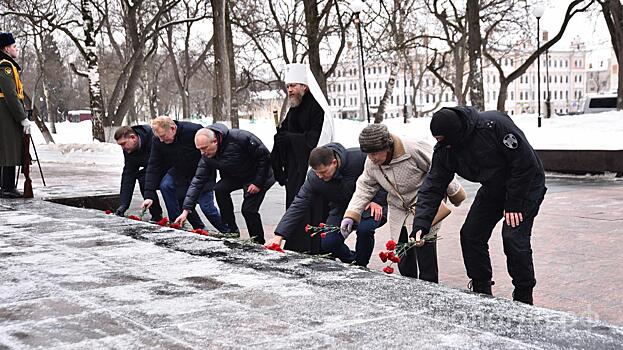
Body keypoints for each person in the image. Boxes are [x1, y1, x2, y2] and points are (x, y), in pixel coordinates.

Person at [411, 107, 546, 305]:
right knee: (471, 234)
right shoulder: (445, 148)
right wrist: (421, 224)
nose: (441, 144)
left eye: (443, 139)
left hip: (525, 186)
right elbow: (433, 185)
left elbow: (526, 163)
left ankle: (523, 292)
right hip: (494, 188)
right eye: (438, 139)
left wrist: (515, 203)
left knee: (513, 237)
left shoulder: (493, 126)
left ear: (456, 134)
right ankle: (482, 287)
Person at [342, 124, 465, 283]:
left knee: (424, 249)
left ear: (387, 146)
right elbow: (365, 186)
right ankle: (409, 285)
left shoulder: (413, 149)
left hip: (424, 204)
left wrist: (455, 193)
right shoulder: (371, 162)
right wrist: (352, 213)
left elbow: (438, 169)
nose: (371, 158)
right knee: (402, 250)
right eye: (368, 154)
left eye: (374, 153)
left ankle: (431, 289)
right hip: (398, 207)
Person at [265, 143, 388, 267]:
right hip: (341, 208)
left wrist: (378, 200)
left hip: (368, 204)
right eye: (317, 172)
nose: (320, 176)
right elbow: (299, 203)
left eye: (323, 172)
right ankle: (352, 261)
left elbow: (384, 173)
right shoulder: (314, 178)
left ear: (334, 163)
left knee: (364, 230)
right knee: (329, 242)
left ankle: (361, 265)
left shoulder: (358, 158)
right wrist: (279, 235)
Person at [175, 124, 275, 244]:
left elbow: (265, 157)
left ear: (215, 141)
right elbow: (198, 180)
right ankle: (231, 230)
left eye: (204, 148)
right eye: (199, 149)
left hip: (260, 174)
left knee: (248, 210)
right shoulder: (207, 156)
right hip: (237, 175)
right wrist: (186, 210)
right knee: (220, 189)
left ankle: (258, 242)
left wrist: (257, 183)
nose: (202, 153)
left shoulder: (240, 138)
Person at [271, 63, 334, 252]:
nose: (289, 90)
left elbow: (315, 139)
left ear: (304, 87)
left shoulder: (316, 108)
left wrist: (289, 138)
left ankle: (313, 247)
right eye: (288, 86)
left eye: (293, 86)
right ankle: (296, 244)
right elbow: (287, 135)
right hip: (294, 168)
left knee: (311, 208)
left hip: (311, 167)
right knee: (295, 205)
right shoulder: (294, 108)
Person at [141, 116, 227, 232]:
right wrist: (149, 195)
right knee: (167, 186)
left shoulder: (193, 131)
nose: (161, 140)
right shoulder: (158, 140)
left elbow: (210, 151)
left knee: (207, 207)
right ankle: (181, 224)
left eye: (163, 136)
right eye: (158, 137)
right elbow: (153, 165)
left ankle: (227, 231)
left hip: (202, 172)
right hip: (179, 171)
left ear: (172, 128)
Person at [114, 125, 172, 221]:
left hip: (168, 166)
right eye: (120, 145)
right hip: (151, 170)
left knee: (166, 185)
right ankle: (156, 215)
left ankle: (176, 216)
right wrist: (123, 204)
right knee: (143, 179)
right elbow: (128, 175)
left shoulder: (153, 138)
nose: (123, 148)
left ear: (133, 138)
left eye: (123, 144)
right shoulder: (129, 149)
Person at [0, 32, 30, 199]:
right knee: (9, 148)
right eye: (13, 46)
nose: (16, 49)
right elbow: (11, 95)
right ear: (6, 48)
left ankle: (5, 186)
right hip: (6, 113)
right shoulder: (4, 66)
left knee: (5, 148)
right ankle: (7, 187)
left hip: (5, 111)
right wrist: (22, 117)